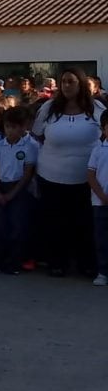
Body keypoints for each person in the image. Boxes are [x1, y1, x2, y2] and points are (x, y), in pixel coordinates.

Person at [32, 67, 106, 277]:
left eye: (71, 81)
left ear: (81, 84)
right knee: (56, 222)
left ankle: (86, 264)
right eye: (63, 81)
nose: (66, 85)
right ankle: (57, 262)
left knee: (84, 223)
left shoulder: (96, 108)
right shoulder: (49, 108)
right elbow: (37, 134)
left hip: (86, 178)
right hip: (52, 175)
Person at [0, 106, 37, 275]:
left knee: (17, 227)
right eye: (7, 126)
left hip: (19, 189)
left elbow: (27, 172)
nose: (10, 130)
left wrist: (13, 193)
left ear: (23, 127)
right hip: (1, 186)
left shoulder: (29, 146)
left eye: (14, 127)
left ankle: (15, 262)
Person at [87, 110, 108, 286]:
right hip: (101, 202)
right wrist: (102, 195)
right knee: (102, 237)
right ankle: (103, 271)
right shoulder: (98, 150)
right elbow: (91, 175)